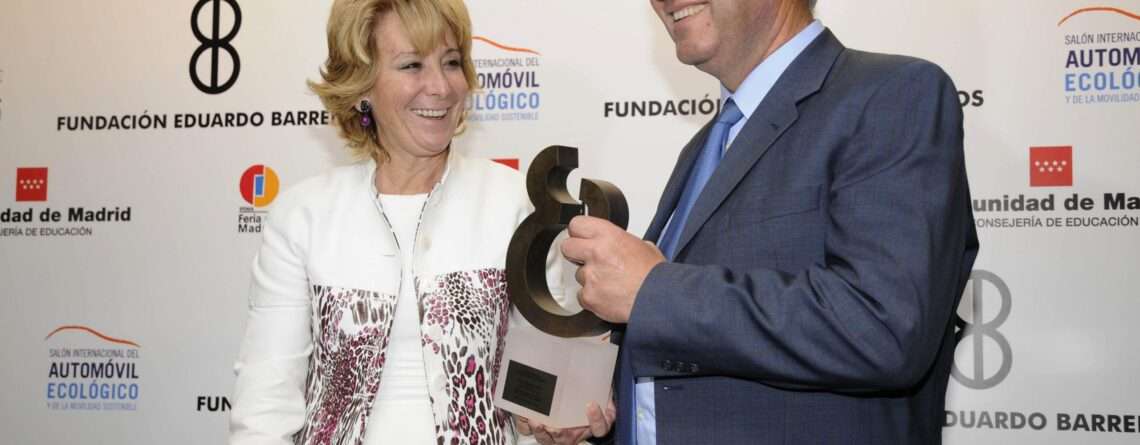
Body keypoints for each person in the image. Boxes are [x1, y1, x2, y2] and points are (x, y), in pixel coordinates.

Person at [530, 0, 980, 444]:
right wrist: (607, 406)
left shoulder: (892, 94)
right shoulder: (708, 145)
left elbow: (882, 327)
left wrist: (653, 291)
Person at [229, 0, 536, 443]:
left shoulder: (514, 204)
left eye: (451, 62)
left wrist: (565, 417)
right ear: (361, 86)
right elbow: (265, 408)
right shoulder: (303, 215)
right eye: (412, 65)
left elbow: (544, 392)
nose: (440, 87)